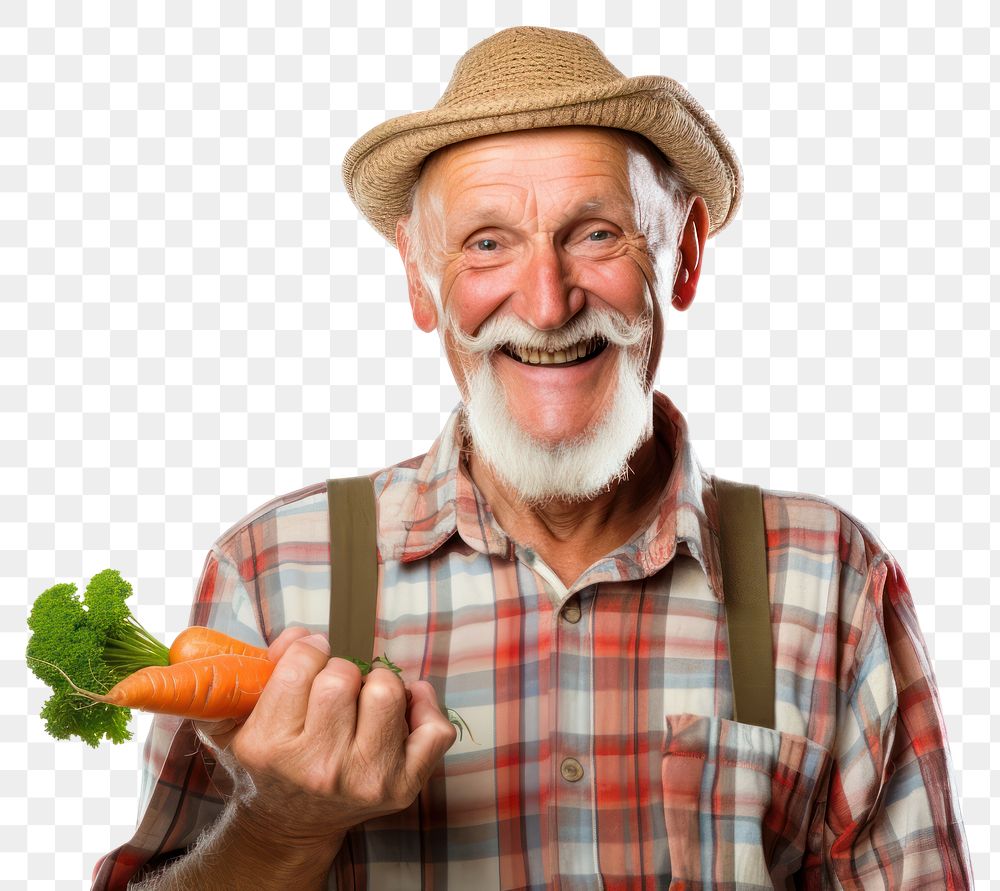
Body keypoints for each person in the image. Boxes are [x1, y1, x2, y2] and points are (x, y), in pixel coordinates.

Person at [93, 26, 972, 890]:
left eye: (597, 233)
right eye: (487, 243)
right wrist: (281, 828)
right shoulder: (274, 573)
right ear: (417, 277)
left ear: (686, 252)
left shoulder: (831, 580)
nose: (547, 306)